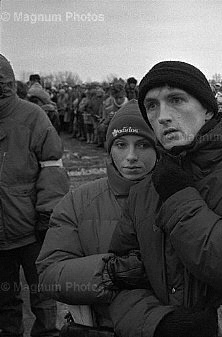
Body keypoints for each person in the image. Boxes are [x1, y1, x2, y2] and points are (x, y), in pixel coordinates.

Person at [107, 61, 222, 337]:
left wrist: (178, 196)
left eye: (176, 100)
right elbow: (122, 277)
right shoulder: (144, 190)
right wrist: (159, 323)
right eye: (152, 106)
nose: (162, 117)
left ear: (207, 109)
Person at [36, 100, 157, 330]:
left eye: (143, 145)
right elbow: (50, 274)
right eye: (121, 144)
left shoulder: (180, 198)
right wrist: (110, 272)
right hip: (102, 328)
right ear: (109, 148)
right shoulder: (78, 202)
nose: (131, 156)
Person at [0, 54, 69, 337]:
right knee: (4, 298)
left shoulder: (32, 116)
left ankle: (47, 333)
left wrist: (48, 213)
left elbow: (52, 167)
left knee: (42, 292)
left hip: (31, 227)